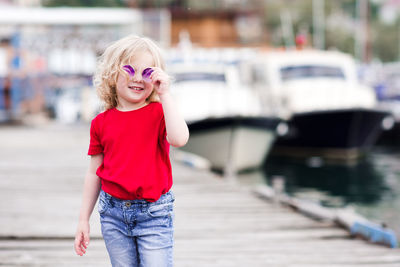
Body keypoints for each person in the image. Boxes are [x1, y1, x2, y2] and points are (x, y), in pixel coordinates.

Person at [74, 35, 189, 267]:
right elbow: (93, 173)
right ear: (112, 74)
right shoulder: (100, 122)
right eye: (129, 69)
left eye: (147, 73)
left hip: (154, 213)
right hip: (113, 214)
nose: (138, 78)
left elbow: (179, 139)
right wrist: (83, 219)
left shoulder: (159, 113)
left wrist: (165, 94)